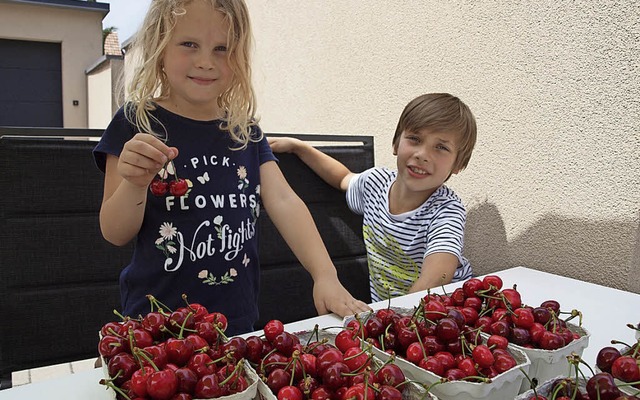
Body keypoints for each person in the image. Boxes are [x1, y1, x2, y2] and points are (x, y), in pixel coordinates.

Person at [92, 0, 370, 335]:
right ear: (159, 48)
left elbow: (284, 201)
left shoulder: (245, 131)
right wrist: (135, 183)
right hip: (156, 327)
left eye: (222, 48)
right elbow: (114, 231)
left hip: (235, 324)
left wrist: (325, 275)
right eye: (189, 44)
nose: (206, 62)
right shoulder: (136, 122)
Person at [269, 93, 476, 303]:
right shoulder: (375, 183)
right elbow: (342, 177)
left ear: (458, 164)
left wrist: (401, 320)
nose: (422, 154)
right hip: (388, 316)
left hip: (440, 313)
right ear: (396, 144)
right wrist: (300, 148)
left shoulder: (447, 210)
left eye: (441, 147)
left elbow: (434, 279)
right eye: (415, 139)